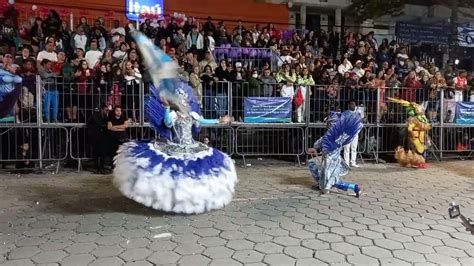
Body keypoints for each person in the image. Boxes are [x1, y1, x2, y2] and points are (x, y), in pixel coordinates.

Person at [113, 30, 237, 214]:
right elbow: (168, 124)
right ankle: (170, 200)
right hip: (173, 146)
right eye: (182, 101)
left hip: (191, 147)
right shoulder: (173, 114)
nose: (184, 103)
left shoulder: (192, 115)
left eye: (186, 101)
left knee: (193, 176)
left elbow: (204, 120)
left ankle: (191, 200)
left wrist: (221, 120)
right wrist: (165, 107)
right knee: (171, 177)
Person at [307, 111, 363, 197]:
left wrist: (314, 147)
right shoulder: (339, 133)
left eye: (329, 123)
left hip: (330, 160)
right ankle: (321, 184)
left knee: (330, 182)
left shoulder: (332, 134)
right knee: (313, 164)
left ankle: (354, 187)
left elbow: (320, 142)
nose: (328, 125)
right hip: (332, 158)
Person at [88, 104, 110, 174]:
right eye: (106, 110)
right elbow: (89, 124)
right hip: (96, 136)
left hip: (103, 136)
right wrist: (92, 132)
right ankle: (97, 167)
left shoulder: (106, 116)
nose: (107, 111)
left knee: (103, 152)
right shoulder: (95, 115)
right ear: (102, 109)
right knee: (96, 152)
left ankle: (102, 167)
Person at [343, 100, 360, 168]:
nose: (353, 106)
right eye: (352, 104)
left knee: (354, 148)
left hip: (355, 133)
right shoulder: (345, 113)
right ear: (349, 105)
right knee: (347, 148)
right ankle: (346, 163)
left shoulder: (357, 113)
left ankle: (353, 162)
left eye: (354, 104)